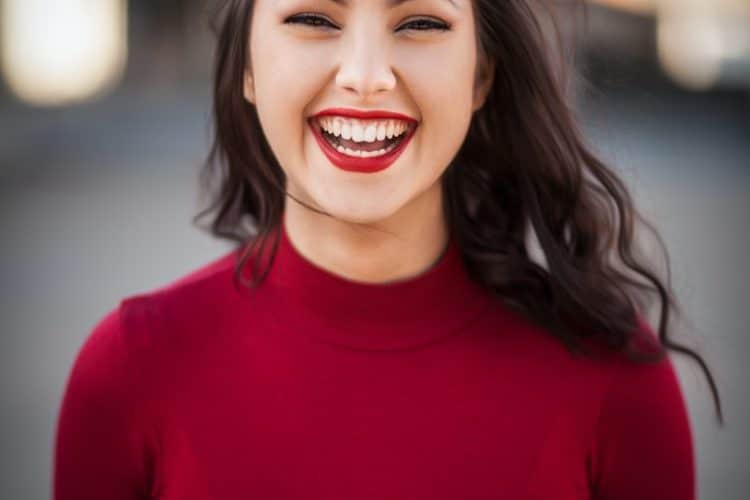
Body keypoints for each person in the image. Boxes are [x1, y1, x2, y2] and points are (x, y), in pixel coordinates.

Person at [54, 0, 723, 498]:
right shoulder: (130, 374)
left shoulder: (616, 380)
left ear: (482, 76)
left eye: (421, 22)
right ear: (247, 69)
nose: (367, 76)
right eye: (314, 17)